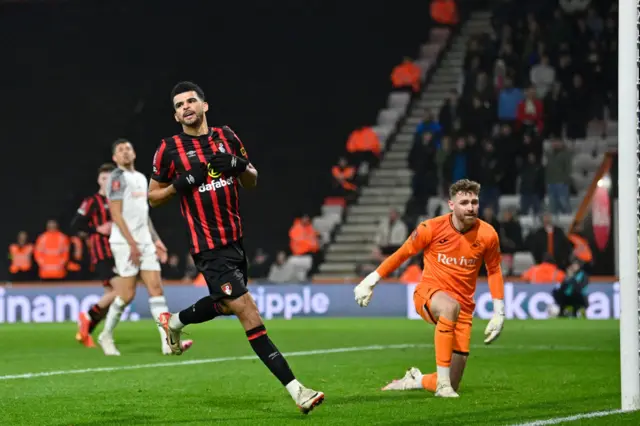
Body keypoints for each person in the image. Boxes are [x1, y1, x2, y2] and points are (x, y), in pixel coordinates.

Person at [147, 81, 324, 414]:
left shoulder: (227, 136)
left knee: (227, 305)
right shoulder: (168, 149)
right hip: (207, 246)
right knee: (247, 310)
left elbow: (252, 179)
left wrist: (239, 166)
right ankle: (297, 390)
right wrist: (180, 184)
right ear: (175, 115)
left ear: (204, 105)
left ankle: (174, 322)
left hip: (235, 242)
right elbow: (153, 198)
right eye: (179, 105)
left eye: (191, 101)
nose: (185, 107)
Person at [354, 179, 505, 398]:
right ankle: (442, 387)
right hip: (428, 295)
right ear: (451, 205)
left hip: (463, 309)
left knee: (455, 380)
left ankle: (418, 380)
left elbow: (494, 271)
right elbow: (402, 254)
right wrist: (370, 280)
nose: (470, 207)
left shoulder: (488, 234)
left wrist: (499, 312)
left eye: (474, 202)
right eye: (464, 202)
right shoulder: (431, 228)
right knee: (449, 307)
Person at [98, 139, 193, 356]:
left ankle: (167, 343)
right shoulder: (117, 178)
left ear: (134, 153)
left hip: (144, 242)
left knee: (156, 289)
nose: (124, 152)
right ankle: (106, 335)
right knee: (127, 294)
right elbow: (116, 214)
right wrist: (132, 244)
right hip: (124, 243)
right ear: (114, 158)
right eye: (120, 150)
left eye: (128, 148)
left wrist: (156, 240)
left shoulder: (141, 178)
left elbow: (144, 216)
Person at [71, 163, 121, 347]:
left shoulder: (118, 201)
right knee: (120, 291)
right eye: (103, 178)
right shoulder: (92, 201)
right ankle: (87, 317)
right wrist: (96, 228)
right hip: (102, 252)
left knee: (111, 295)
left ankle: (86, 332)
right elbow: (76, 224)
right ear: (98, 180)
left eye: (110, 178)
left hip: (118, 251)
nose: (107, 182)